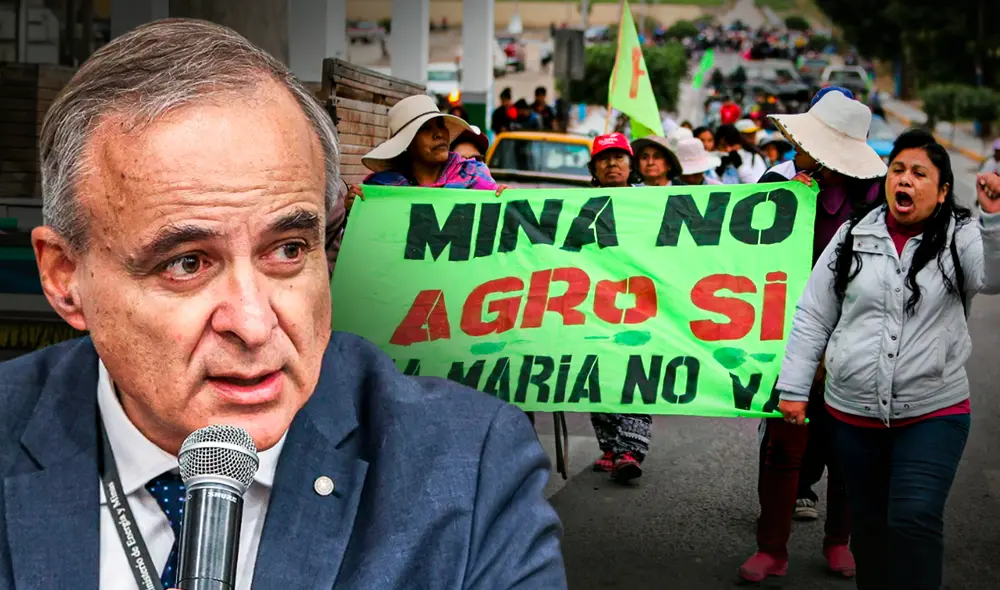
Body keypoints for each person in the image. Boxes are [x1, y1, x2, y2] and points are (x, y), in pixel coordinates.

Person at [0, 19, 567, 590]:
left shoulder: (468, 471)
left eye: (289, 249)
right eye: (186, 263)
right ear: (65, 277)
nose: (254, 324)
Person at [778, 128, 1000, 589]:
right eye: (897, 170)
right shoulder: (853, 234)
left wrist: (993, 220)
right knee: (871, 527)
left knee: (914, 519)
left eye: (919, 173)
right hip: (853, 415)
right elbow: (814, 313)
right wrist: (795, 387)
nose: (905, 180)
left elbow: (992, 279)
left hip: (933, 412)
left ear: (942, 191)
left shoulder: (961, 235)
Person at [740, 89, 888, 583]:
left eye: (805, 141)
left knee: (848, 449)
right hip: (792, 337)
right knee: (783, 445)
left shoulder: (877, 200)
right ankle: (771, 548)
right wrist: (784, 207)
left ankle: (839, 541)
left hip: (854, 341)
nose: (795, 147)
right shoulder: (781, 184)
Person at [586, 133, 649, 482]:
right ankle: (610, 446)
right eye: (603, 159)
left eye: (618, 158)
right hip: (593, 302)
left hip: (644, 300)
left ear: (630, 165)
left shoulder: (653, 202)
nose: (612, 164)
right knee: (599, 369)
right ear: (594, 167)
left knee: (637, 369)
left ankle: (630, 450)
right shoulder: (579, 204)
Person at [344, 94, 505, 211]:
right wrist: (353, 211)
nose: (439, 134)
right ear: (407, 143)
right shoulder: (380, 188)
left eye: (441, 125)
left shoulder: (473, 175)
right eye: (426, 128)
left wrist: (507, 200)